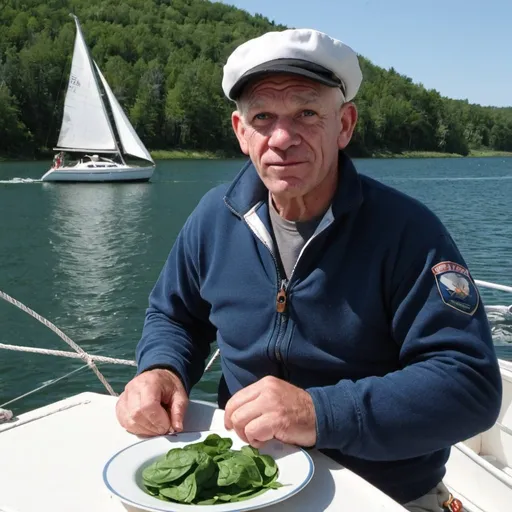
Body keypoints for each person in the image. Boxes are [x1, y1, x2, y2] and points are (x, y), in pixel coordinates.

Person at [115, 28, 502, 511]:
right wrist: (162, 369)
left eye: (306, 114)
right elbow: (174, 316)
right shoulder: (214, 219)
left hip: (382, 492)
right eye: (263, 117)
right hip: (241, 482)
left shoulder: (408, 233)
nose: (282, 138)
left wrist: (317, 413)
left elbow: (468, 385)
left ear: (344, 125)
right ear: (241, 132)